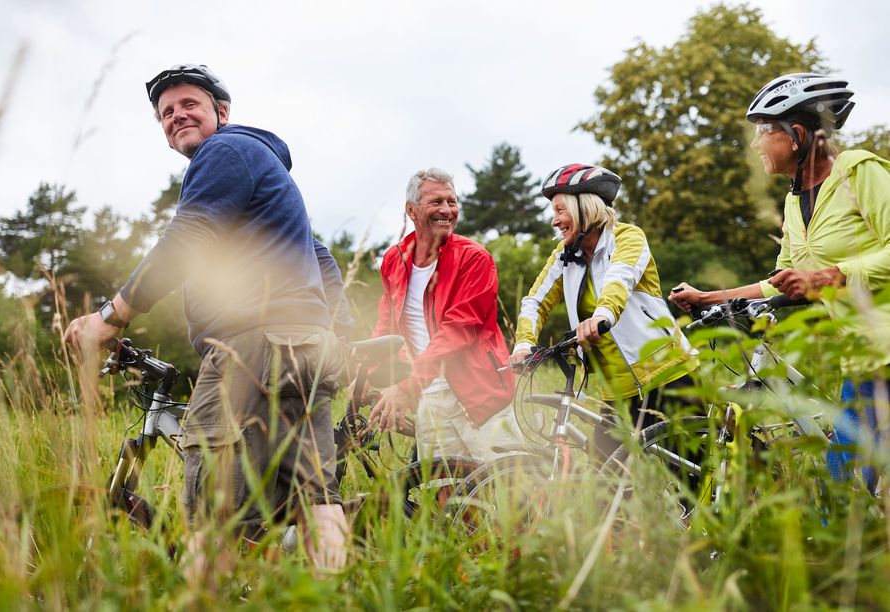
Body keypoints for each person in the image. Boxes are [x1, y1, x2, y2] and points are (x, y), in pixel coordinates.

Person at [63, 64, 353, 574]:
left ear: (222, 112)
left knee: (212, 512)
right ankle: (340, 594)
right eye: (165, 113)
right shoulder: (260, 164)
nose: (176, 116)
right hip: (303, 347)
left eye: (188, 104)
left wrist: (111, 317)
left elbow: (187, 241)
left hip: (250, 345)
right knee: (317, 501)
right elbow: (321, 256)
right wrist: (335, 333)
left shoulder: (226, 152)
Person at [669, 73, 890, 490]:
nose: (755, 144)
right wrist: (712, 297)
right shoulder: (794, 201)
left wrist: (831, 276)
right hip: (860, 354)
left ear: (797, 134)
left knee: (839, 483)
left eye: (763, 131)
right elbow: (780, 280)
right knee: (851, 481)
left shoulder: (860, 172)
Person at [510, 164, 699, 462]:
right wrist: (523, 343)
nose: (554, 221)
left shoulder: (627, 238)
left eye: (561, 210)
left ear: (584, 207)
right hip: (617, 392)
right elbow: (534, 302)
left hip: (670, 377)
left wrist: (602, 316)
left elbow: (618, 281)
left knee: (687, 481)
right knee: (605, 485)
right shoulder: (564, 256)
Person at [357, 168, 523, 463]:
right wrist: (365, 374)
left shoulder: (474, 258)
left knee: (512, 494)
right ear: (412, 210)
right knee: (445, 498)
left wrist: (407, 386)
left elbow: (459, 330)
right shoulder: (395, 259)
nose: (447, 210)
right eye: (436, 202)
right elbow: (387, 322)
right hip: (428, 398)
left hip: (480, 394)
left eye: (452, 201)